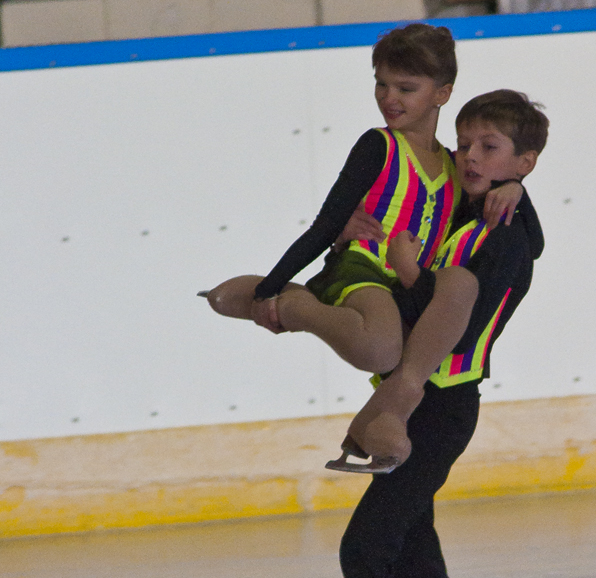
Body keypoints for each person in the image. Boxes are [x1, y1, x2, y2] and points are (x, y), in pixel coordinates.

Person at [301, 89, 548, 578]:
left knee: (366, 548)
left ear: (523, 161)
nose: (469, 156)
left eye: (489, 148)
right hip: (424, 405)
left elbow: (451, 325)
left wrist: (409, 274)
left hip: (440, 409)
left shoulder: (503, 235)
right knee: (410, 551)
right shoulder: (470, 215)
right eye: (464, 144)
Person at [202, 25, 523, 470]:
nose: (389, 98)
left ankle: (375, 418)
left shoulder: (456, 164)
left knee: (414, 334)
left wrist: (515, 187)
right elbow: (325, 225)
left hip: (405, 288)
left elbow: (521, 225)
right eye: (381, 84)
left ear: (442, 94)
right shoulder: (379, 146)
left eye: (405, 88)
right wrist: (268, 290)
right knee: (380, 351)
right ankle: (297, 304)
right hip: (361, 267)